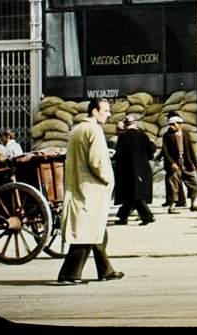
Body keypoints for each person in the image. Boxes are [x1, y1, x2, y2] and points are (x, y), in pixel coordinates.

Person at [57, 98, 123, 283]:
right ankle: (69, 273)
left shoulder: (76, 130)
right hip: (91, 188)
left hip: (79, 184)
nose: (108, 114)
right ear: (95, 111)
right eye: (106, 110)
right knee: (87, 231)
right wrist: (108, 178)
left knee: (97, 229)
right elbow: (97, 161)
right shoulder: (94, 130)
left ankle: (106, 270)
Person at [113, 115, 156, 226]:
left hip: (127, 170)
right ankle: (123, 218)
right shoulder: (143, 136)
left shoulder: (122, 137)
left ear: (125, 125)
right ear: (135, 124)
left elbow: (119, 154)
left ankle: (147, 216)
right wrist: (151, 142)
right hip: (142, 170)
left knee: (134, 195)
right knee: (133, 195)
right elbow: (152, 150)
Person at [160, 113, 197, 214]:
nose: (171, 127)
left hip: (186, 160)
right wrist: (172, 163)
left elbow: (191, 148)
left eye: (173, 124)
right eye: (170, 125)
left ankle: (194, 204)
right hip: (174, 162)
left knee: (193, 181)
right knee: (173, 183)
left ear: (179, 124)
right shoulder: (167, 135)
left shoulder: (185, 133)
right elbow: (165, 151)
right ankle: (171, 206)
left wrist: (196, 162)